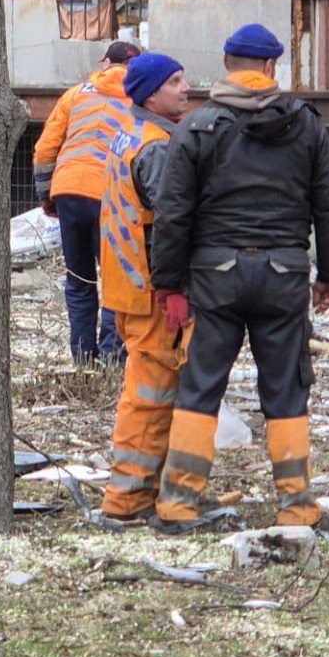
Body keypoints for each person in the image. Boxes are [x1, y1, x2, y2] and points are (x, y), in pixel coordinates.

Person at [149, 24, 329, 533]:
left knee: (200, 387)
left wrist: (169, 284)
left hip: (214, 275)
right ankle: (297, 506)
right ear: (269, 68)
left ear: (226, 64)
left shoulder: (196, 126)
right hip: (283, 273)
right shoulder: (305, 126)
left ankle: (177, 504)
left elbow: (174, 213)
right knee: (286, 390)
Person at [95, 54, 192, 524]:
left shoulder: (127, 134)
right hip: (150, 291)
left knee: (146, 391)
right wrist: (173, 287)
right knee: (150, 396)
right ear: (151, 94)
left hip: (124, 285)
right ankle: (128, 500)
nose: (185, 88)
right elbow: (169, 222)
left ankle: (141, 492)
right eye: (174, 82)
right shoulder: (154, 146)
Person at [32, 41, 140, 365]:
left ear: (105, 62)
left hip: (67, 191)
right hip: (110, 196)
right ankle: (111, 359)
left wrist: (46, 194)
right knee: (114, 281)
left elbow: (44, 148)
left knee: (79, 280)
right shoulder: (139, 98)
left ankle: (82, 359)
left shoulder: (77, 93)